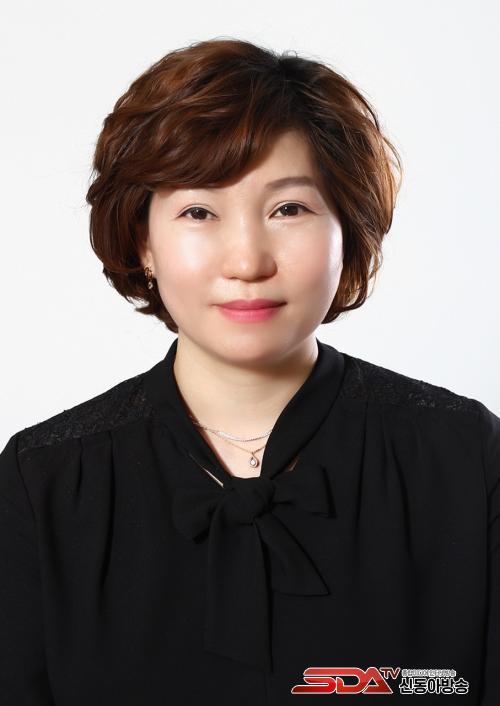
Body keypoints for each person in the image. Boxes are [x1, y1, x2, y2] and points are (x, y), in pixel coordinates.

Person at [0, 37, 498, 706]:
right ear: (144, 242)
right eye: (198, 211)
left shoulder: (466, 456)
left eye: (289, 208)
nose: (247, 261)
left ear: (347, 232)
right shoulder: (44, 481)